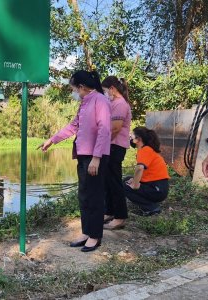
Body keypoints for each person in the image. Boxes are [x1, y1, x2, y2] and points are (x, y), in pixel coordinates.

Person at [39, 70, 111, 252]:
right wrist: (52, 140)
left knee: (94, 196)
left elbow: (104, 130)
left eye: (74, 89)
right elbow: (73, 126)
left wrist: (97, 158)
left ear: (81, 87)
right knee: (84, 195)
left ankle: (95, 236)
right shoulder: (85, 103)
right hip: (83, 155)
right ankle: (86, 231)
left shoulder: (100, 101)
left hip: (96, 156)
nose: (74, 93)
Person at [101, 76, 132, 230]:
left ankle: (120, 217)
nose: (106, 93)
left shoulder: (120, 104)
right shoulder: (114, 103)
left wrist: (103, 143)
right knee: (107, 180)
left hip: (115, 146)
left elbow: (115, 128)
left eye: (106, 90)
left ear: (112, 88)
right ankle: (109, 211)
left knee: (114, 181)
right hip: (110, 146)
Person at [124, 127, 170, 216]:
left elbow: (140, 168)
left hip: (157, 189)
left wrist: (135, 184)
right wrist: (134, 180)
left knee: (126, 186)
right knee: (127, 180)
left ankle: (151, 208)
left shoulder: (144, 150)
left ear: (138, 139)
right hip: (158, 187)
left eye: (131, 137)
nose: (130, 139)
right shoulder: (147, 149)